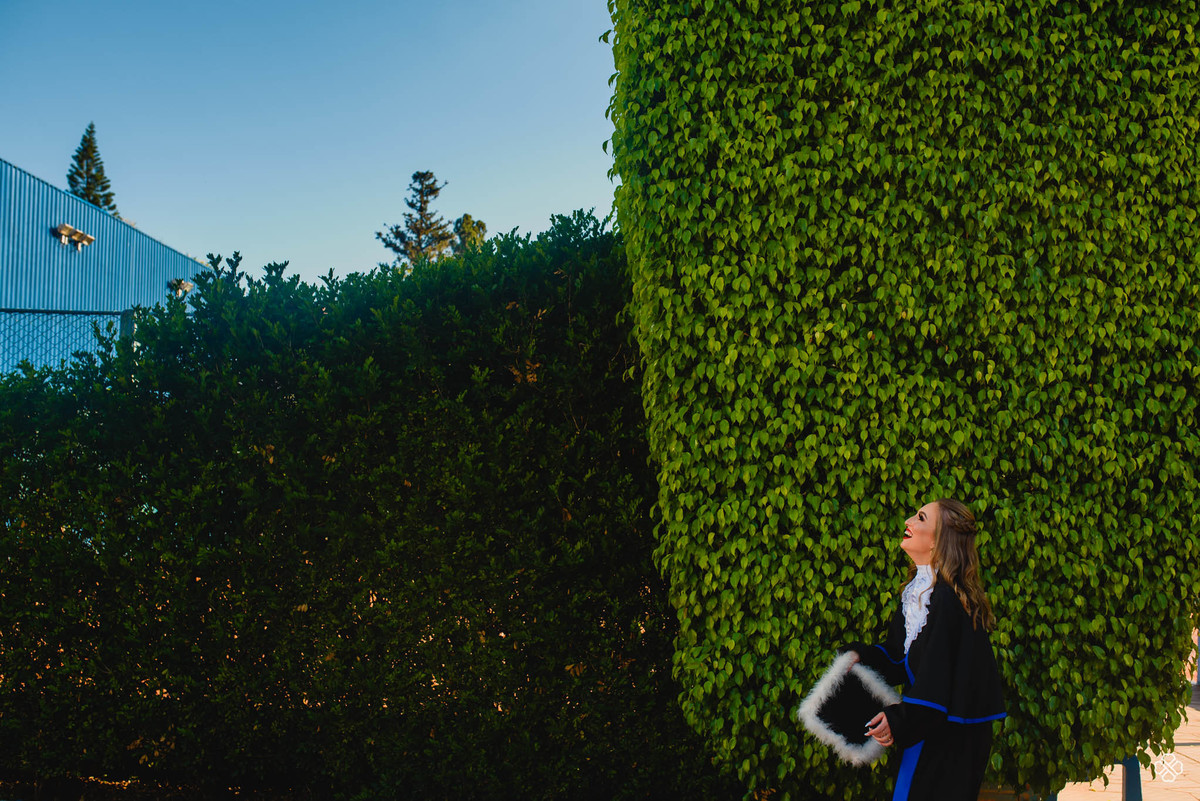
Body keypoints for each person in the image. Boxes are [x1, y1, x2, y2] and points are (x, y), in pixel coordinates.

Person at [842, 498, 1006, 801]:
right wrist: (861, 658)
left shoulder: (946, 599)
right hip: (929, 724)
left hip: (951, 737)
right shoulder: (918, 593)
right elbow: (900, 657)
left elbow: (936, 676)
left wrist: (899, 720)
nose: (908, 521)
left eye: (920, 518)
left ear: (938, 542)